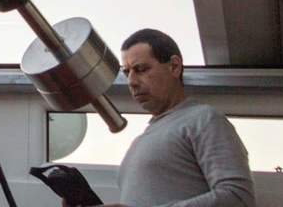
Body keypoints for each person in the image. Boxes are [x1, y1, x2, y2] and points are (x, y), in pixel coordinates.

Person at [71, 29, 255, 207]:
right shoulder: (142, 139)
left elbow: (239, 198)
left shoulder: (203, 119)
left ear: (174, 67)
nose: (132, 82)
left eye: (141, 69)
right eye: (127, 73)